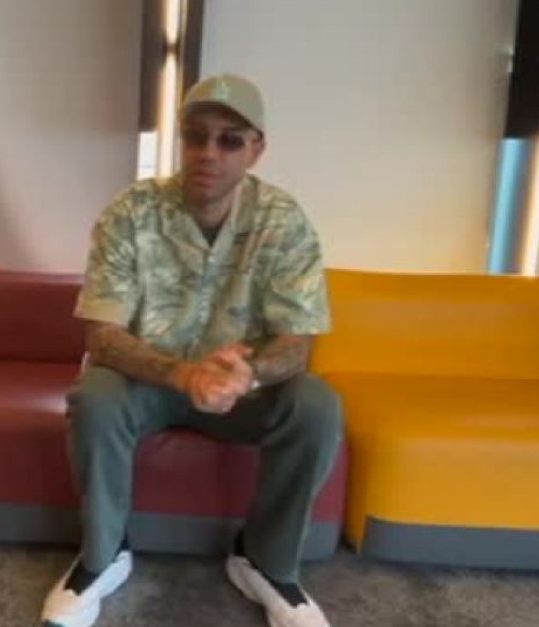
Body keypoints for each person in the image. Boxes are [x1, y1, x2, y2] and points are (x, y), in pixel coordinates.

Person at [40, 74, 342, 627]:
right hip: (147, 382)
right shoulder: (131, 211)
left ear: (256, 149)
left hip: (240, 388)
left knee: (317, 405)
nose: (209, 152)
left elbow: (297, 342)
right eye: (196, 136)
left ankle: (266, 563)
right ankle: (104, 556)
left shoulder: (284, 222)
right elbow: (102, 336)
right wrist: (183, 375)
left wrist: (247, 374)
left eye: (229, 140)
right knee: (94, 394)